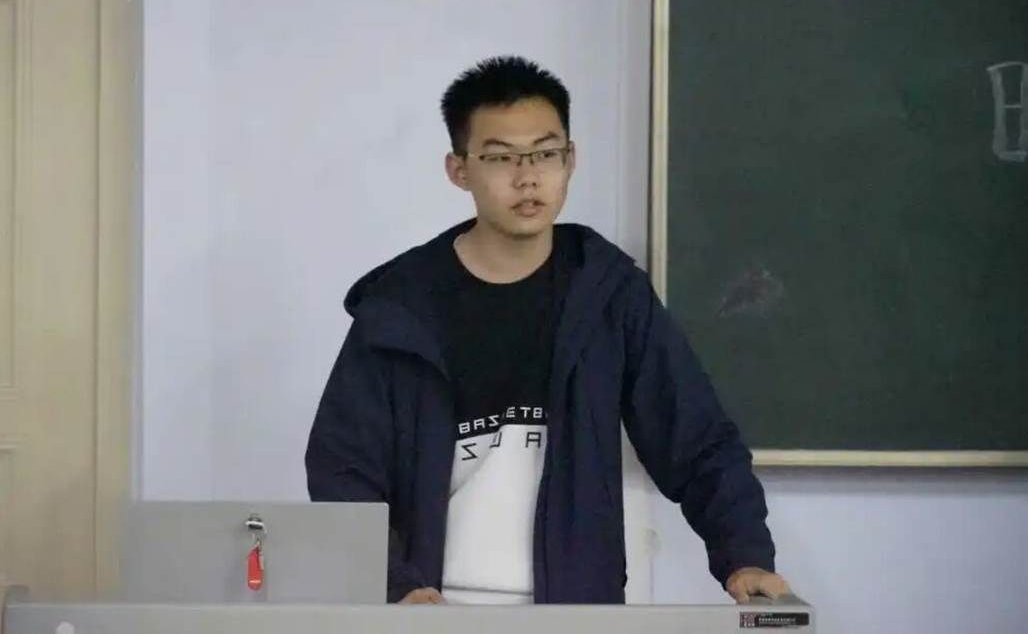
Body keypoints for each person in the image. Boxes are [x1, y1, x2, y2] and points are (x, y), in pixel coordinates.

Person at [305, 56, 789, 605]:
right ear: (459, 170)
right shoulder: (399, 308)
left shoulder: (608, 294)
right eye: (500, 158)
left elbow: (696, 440)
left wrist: (744, 555)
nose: (527, 177)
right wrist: (397, 587)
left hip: (573, 612)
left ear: (570, 159)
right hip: (430, 613)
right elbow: (343, 470)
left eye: (545, 153)